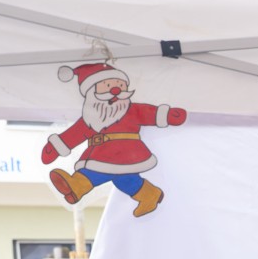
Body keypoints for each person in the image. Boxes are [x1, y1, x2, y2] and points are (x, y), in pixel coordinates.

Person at [42, 61, 186, 217]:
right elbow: (75, 133)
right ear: (92, 91)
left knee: (96, 172)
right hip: (101, 153)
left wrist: (168, 115)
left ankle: (77, 186)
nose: (116, 90)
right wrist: (55, 148)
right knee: (124, 179)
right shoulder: (91, 118)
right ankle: (149, 195)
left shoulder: (131, 110)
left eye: (120, 85)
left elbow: (149, 113)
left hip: (127, 152)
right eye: (108, 85)